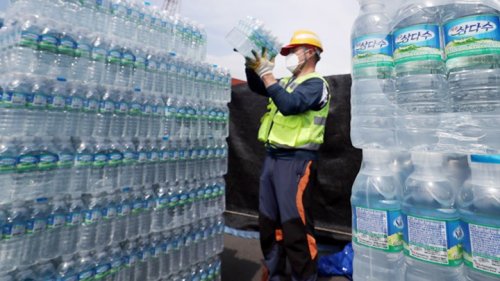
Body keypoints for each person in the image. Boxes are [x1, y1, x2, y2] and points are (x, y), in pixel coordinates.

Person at [245, 30, 331, 281]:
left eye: (294, 51)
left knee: (295, 227)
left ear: (310, 52)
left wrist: (267, 73)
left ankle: (304, 278)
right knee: (269, 224)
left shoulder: (317, 84)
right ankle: (275, 275)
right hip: (272, 160)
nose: (290, 56)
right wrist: (252, 65)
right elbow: (258, 86)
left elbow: (290, 105)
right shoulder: (286, 82)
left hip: (296, 162)